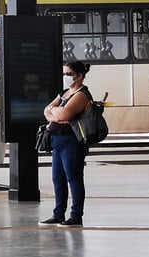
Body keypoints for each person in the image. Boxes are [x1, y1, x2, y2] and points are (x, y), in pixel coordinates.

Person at [40, 60, 94, 227]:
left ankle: (76, 216)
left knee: (74, 177)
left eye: (68, 74)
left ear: (79, 76)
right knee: (58, 178)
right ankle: (58, 214)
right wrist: (55, 114)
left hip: (72, 141)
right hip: (57, 140)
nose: (65, 77)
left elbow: (64, 113)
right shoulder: (64, 93)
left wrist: (55, 113)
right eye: (64, 74)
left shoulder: (81, 94)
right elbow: (46, 110)